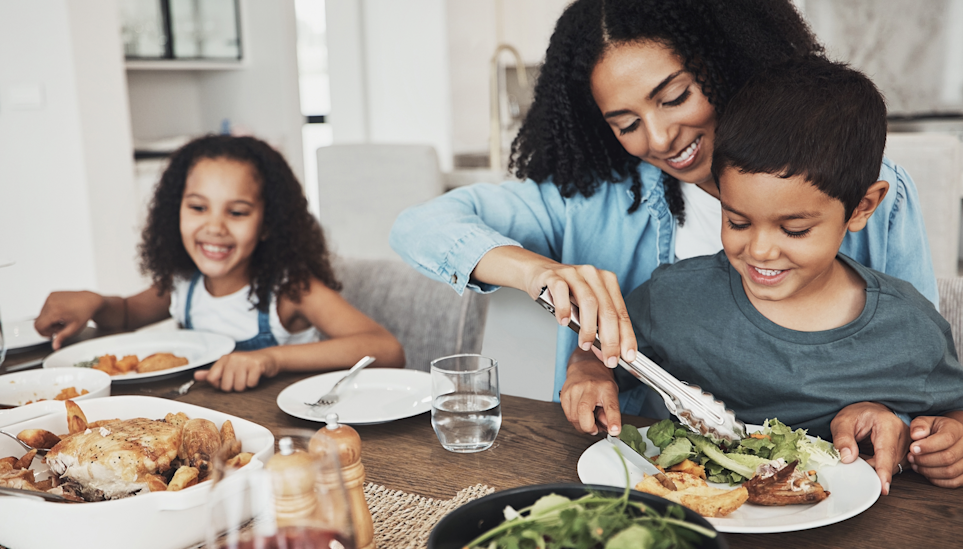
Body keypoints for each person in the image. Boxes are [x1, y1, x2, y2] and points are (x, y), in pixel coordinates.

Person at [389, 0, 937, 422]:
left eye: (675, 97)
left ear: (725, 62)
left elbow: (916, 370)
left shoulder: (859, 184)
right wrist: (540, 273)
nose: (660, 138)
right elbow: (419, 226)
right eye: (626, 124)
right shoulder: (594, 196)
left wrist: (887, 416)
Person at [583, 56, 963, 494]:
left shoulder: (910, 329)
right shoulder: (675, 295)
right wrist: (588, 372)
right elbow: (605, 350)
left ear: (861, 207)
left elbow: (951, 413)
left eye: (794, 229)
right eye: (738, 221)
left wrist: (947, 444)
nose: (759, 250)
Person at [35, 135, 406, 391]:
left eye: (238, 212)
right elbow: (129, 313)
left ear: (267, 224)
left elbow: (385, 348)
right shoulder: (184, 283)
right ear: (174, 211)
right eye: (198, 207)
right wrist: (96, 302)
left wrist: (270, 359)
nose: (214, 227)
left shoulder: (292, 290)